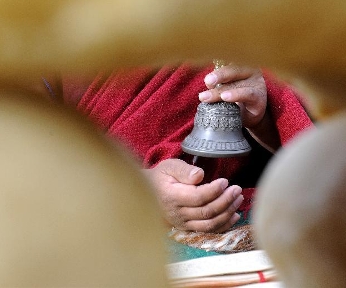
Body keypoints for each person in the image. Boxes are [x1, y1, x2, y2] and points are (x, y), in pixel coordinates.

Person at [51, 62, 313, 233]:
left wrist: (265, 119)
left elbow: (336, 154)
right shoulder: (47, 2)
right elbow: (22, 162)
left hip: (259, 223)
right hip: (108, 229)